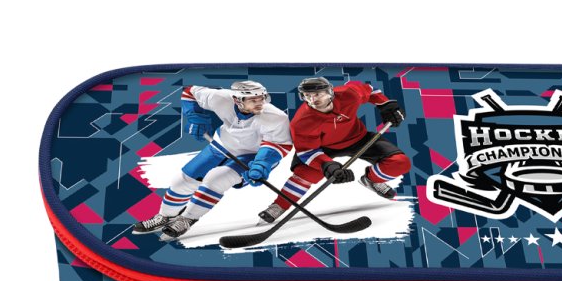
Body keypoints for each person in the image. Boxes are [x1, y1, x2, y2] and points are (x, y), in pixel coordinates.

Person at [132, 81, 292, 240]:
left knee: (216, 179)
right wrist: (195, 117)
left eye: (261, 98)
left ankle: (187, 218)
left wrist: (262, 164)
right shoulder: (221, 98)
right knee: (182, 181)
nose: (260, 103)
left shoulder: (276, 117)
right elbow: (190, 92)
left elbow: (279, 144)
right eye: (253, 100)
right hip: (221, 145)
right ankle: (165, 216)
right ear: (237, 100)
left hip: (253, 155)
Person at [256, 76, 409, 225]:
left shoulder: (348, 94)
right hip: (322, 149)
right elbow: (307, 152)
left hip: (358, 138)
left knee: (400, 163)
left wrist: (385, 104)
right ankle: (279, 205)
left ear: (330, 91)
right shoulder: (301, 122)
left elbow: (370, 90)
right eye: (307, 95)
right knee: (306, 174)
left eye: (317, 94)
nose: (312, 99)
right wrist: (327, 165)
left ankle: (372, 180)